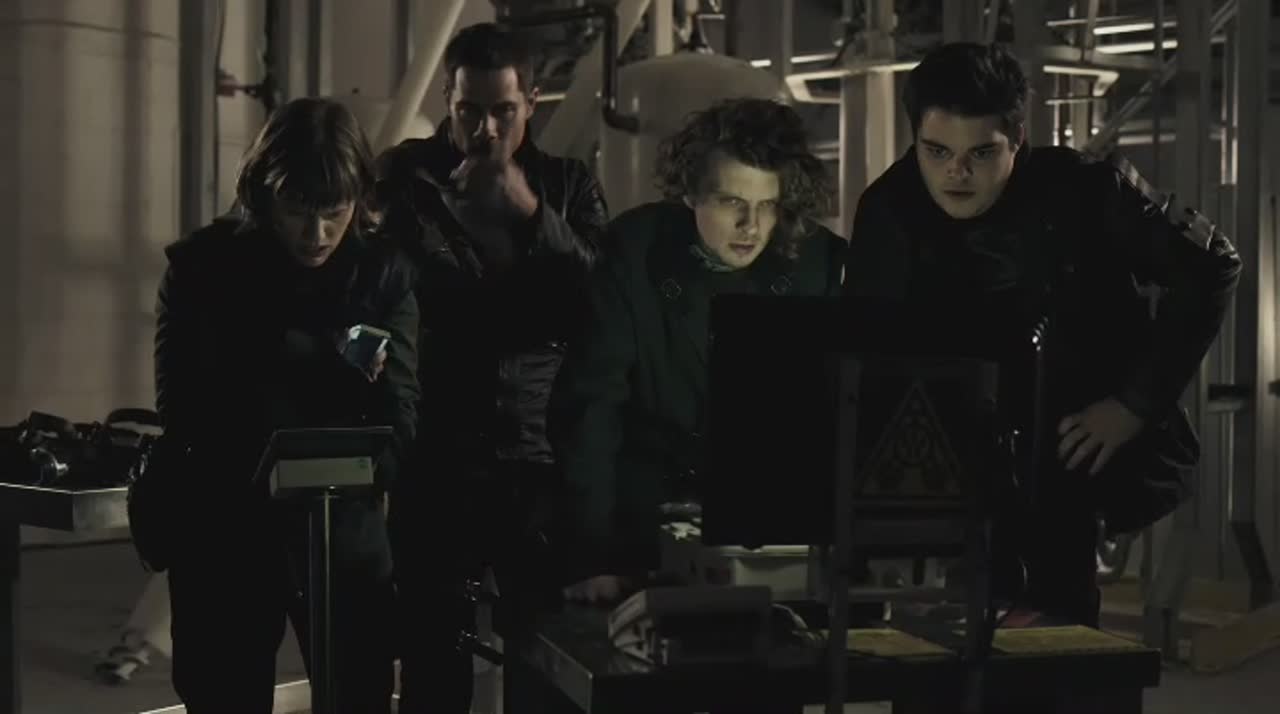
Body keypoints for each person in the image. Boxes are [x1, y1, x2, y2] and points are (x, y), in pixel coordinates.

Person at [843, 42, 1241, 627]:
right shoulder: (888, 209)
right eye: (937, 151)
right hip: (947, 455)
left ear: (1018, 139)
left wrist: (1133, 404)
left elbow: (1210, 266)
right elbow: (865, 347)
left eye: (981, 152)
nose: (957, 172)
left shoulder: (1084, 190)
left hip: (1066, 452)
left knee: (1057, 632)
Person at [153, 97, 419, 713]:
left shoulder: (383, 274)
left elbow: (400, 424)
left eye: (334, 213)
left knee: (357, 700)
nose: (316, 234)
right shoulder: (202, 269)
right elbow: (183, 410)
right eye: (298, 211)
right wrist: (329, 364)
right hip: (225, 533)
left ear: (358, 200)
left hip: (343, 537)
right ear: (263, 193)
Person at [374, 22, 607, 714]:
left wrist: (528, 211)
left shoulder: (566, 185)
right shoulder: (407, 178)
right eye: (469, 110)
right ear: (447, 102)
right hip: (436, 456)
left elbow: (601, 301)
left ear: (531, 101)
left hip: (538, 460)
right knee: (431, 664)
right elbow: (395, 291)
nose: (486, 130)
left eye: (504, 110)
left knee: (548, 664)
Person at [551, 97, 846, 604]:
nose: (751, 226)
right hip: (637, 535)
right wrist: (592, 556)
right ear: (690, 192)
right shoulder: (635, 251)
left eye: (767, 205)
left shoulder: (818, 264)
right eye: (732, 203)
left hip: (770, 537)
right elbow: (590, 412)